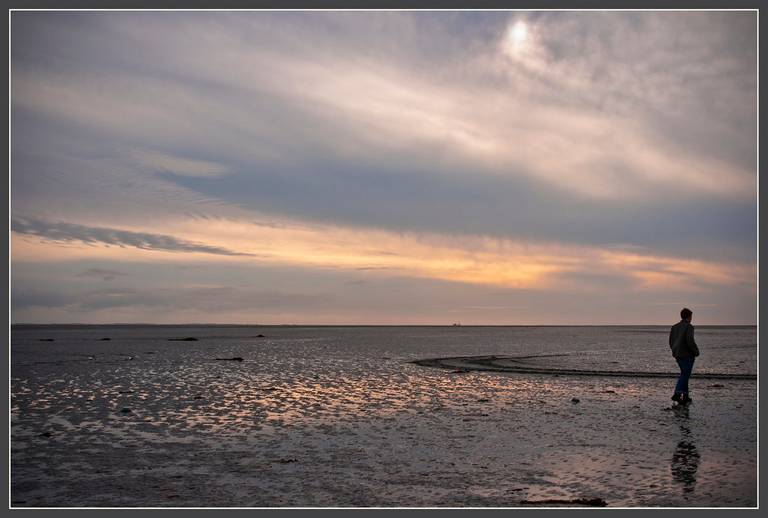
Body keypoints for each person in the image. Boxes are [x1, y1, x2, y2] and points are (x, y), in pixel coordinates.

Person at [669, 308, 700, 404]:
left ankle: (685, 395)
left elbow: (671, 341)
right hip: (687, 354)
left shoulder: (674, 327)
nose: (691, 318)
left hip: (677, 354)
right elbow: (690, 341)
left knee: (685, 374)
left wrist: (674, 350)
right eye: (691, 316)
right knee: (685, 374)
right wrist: (696, 351)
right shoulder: (689, 327)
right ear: (688, 316)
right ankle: (677, 394)